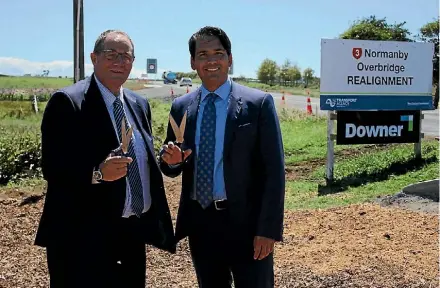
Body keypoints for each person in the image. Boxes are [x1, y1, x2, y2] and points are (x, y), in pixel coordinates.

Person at [34, 29, 176, 288]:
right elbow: (53, 167)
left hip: (131, 236)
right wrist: (97, 173)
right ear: (94, 58)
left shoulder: (139, 104)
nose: (119, 61)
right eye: (111, 54)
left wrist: (170, 160)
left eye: (126, 56)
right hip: (82, 238)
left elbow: (141, 161)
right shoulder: (68, 102)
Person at [159, 26, 285, 288]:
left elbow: (274, 171)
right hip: (202, 224)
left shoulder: (258, 103)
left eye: (218, 53)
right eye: (203, 54)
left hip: (247, 225)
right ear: (193, 62)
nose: (211, 60)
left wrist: (267, 230)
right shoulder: (182, 107)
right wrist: (171, 162)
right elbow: (171, 161)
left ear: (230, 58)